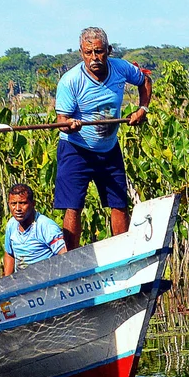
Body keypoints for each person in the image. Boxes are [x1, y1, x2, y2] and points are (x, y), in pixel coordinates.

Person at [54, 26, 152, 249]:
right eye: (88, 53)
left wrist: (142, 109)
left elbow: (145, 81)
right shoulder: (70, 81)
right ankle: (72, 257)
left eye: (98, 52)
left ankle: (122, 252)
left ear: (108, 50)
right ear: (81, 53)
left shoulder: (121, 68)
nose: (94, 58)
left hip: (108, 149)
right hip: (76, 149)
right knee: (73, 205)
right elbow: (61, 120)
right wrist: (70, 125)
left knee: (118, 202)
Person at [2, 182, 67, 275]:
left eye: (22, 203)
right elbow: (9, 254)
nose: (17, 208)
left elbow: (65, 254)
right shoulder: (11, 224)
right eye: (13, 204)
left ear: (33, 204)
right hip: (21, 283)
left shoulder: (46, 226)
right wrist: (6, 283)